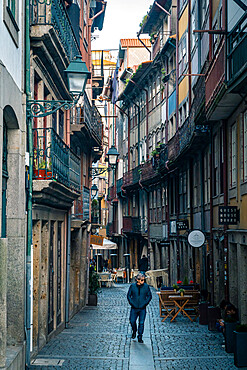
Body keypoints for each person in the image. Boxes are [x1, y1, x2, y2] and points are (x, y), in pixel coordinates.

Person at [127, 272, 152, 343]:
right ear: (137, 280)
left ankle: (140, 336)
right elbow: (129, 295)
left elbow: (149, 296)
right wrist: (132, 303)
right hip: (134, 308)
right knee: (132, 321)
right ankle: (134, 331)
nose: (142, 281)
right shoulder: (132, 286)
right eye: (141, 280)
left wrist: (145, 303)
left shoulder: (146, 287)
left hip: (142, 308)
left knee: (141, 323)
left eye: (143, 280)